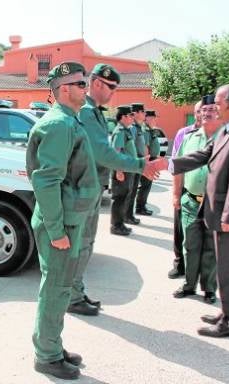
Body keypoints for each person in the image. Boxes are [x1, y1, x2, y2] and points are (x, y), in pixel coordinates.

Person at [159, 84, 229, 338]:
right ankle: (227, 313)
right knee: (226, 268)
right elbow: (204, 155)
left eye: (218, 101)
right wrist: (168, 163)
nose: (214, 106)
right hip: (220, 214)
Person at [27, 62, 100, 380]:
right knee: (55, 288)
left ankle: (52, 346)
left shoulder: (69, 121)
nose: (87, 89)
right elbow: (46, 181)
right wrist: (56, 230)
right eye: (82, 84)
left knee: (59, 287)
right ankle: (47, 355)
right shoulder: (58, 124)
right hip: (62, 223)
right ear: (65, 89)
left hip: (69, 219)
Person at [71, 63, 160, 316]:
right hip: (84, 187)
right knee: (81, 245)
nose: (113, 93)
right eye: (111, 87)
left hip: (92, 187)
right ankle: (71, 295)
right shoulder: (87, 112)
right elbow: (103, 152)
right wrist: (141, 165)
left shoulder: (96, 112)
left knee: (86, 243)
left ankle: (76, 292)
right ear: (97, 83)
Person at [172, 95, 219, 304]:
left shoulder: (226, 139)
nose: (207, 113)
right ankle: (189, 285)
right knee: (189, 245)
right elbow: (178, 169)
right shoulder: (189, 138)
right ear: (198, 113)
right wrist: (175, 194)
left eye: (211, 109)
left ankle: (209, 289)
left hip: (214, 204)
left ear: (219, 112)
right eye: (204, 110)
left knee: (211, 248)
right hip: (190, 201)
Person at [168, 102, 203, 279]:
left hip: (207, 194)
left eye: (203, 111)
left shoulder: (217, 134)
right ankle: (179, 263)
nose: (200, 114)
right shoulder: (184, 134)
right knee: (179, 230)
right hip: (184, 189)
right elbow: (175, 164)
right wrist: (175, 193)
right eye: (197, 111)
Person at [109, 106, 138, 236]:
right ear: (123, 117)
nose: (132, 118)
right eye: (130, 115)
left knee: (125, 197)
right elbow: (116, 152)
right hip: (122, 171)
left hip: (127, 170)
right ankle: (116, 226)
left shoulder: (126, 131)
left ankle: (120, 223)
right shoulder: (120, 131)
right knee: (119, 198)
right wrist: (119, 171)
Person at [135, 110, 162, 215]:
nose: (156, 120)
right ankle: (139, 207)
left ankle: (142, 206)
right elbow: (145, 147)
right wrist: (148, 163)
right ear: (147, 118)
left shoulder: (151, 130)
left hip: (152, 160)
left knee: (147, 185)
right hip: (148, 161)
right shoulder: (145, 130)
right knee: (144, 185)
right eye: (154, 117)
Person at [125, 103, 147, 225]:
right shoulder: (133, 128)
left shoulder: (139, 127)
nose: (145, 114)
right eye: (143, 112)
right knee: (130, 191)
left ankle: (129, 215)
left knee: (133, 190)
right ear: (136, 113)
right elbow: (130, 146)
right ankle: (126, 216)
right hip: (133, 162)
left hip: (138, 162)